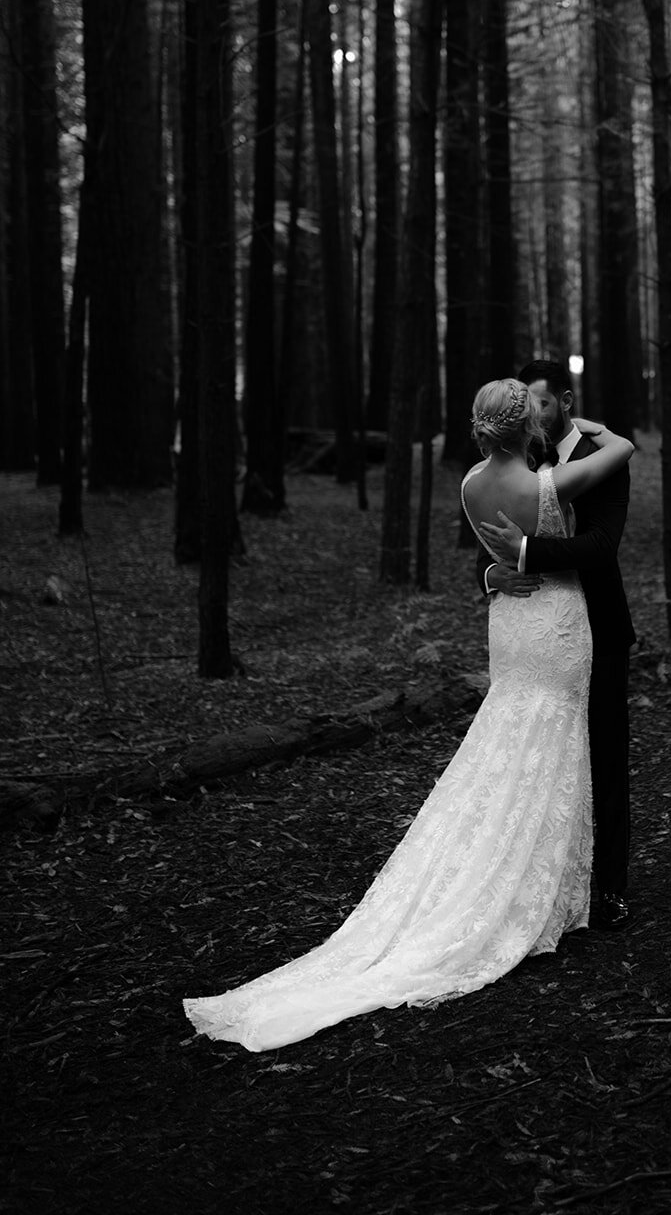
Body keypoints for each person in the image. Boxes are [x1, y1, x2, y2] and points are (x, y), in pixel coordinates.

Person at [182, 379, 633, 1051]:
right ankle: (533, 885)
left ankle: (517, 870)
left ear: (480, 432)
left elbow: (512, 551)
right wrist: (585, 429)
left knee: (506, 741)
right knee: (548, 744)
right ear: (523, 425)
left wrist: (496, 568)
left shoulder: (471, 484)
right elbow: (620, 450)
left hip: (512, 626)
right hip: (556, 624)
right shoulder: (549, 485)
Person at [475, 359, 635, 931]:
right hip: (540, 634)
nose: (533, 415)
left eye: (541, 403)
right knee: (541, 759)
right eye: (526, 406)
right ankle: (539, 884)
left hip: (598, 628)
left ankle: (610, 889)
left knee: (605, 759)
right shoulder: (522, 458)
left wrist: (526, 553)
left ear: (564, 401)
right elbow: (486, 550)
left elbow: (600, 545)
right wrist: (493, 576)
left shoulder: (599, 464)